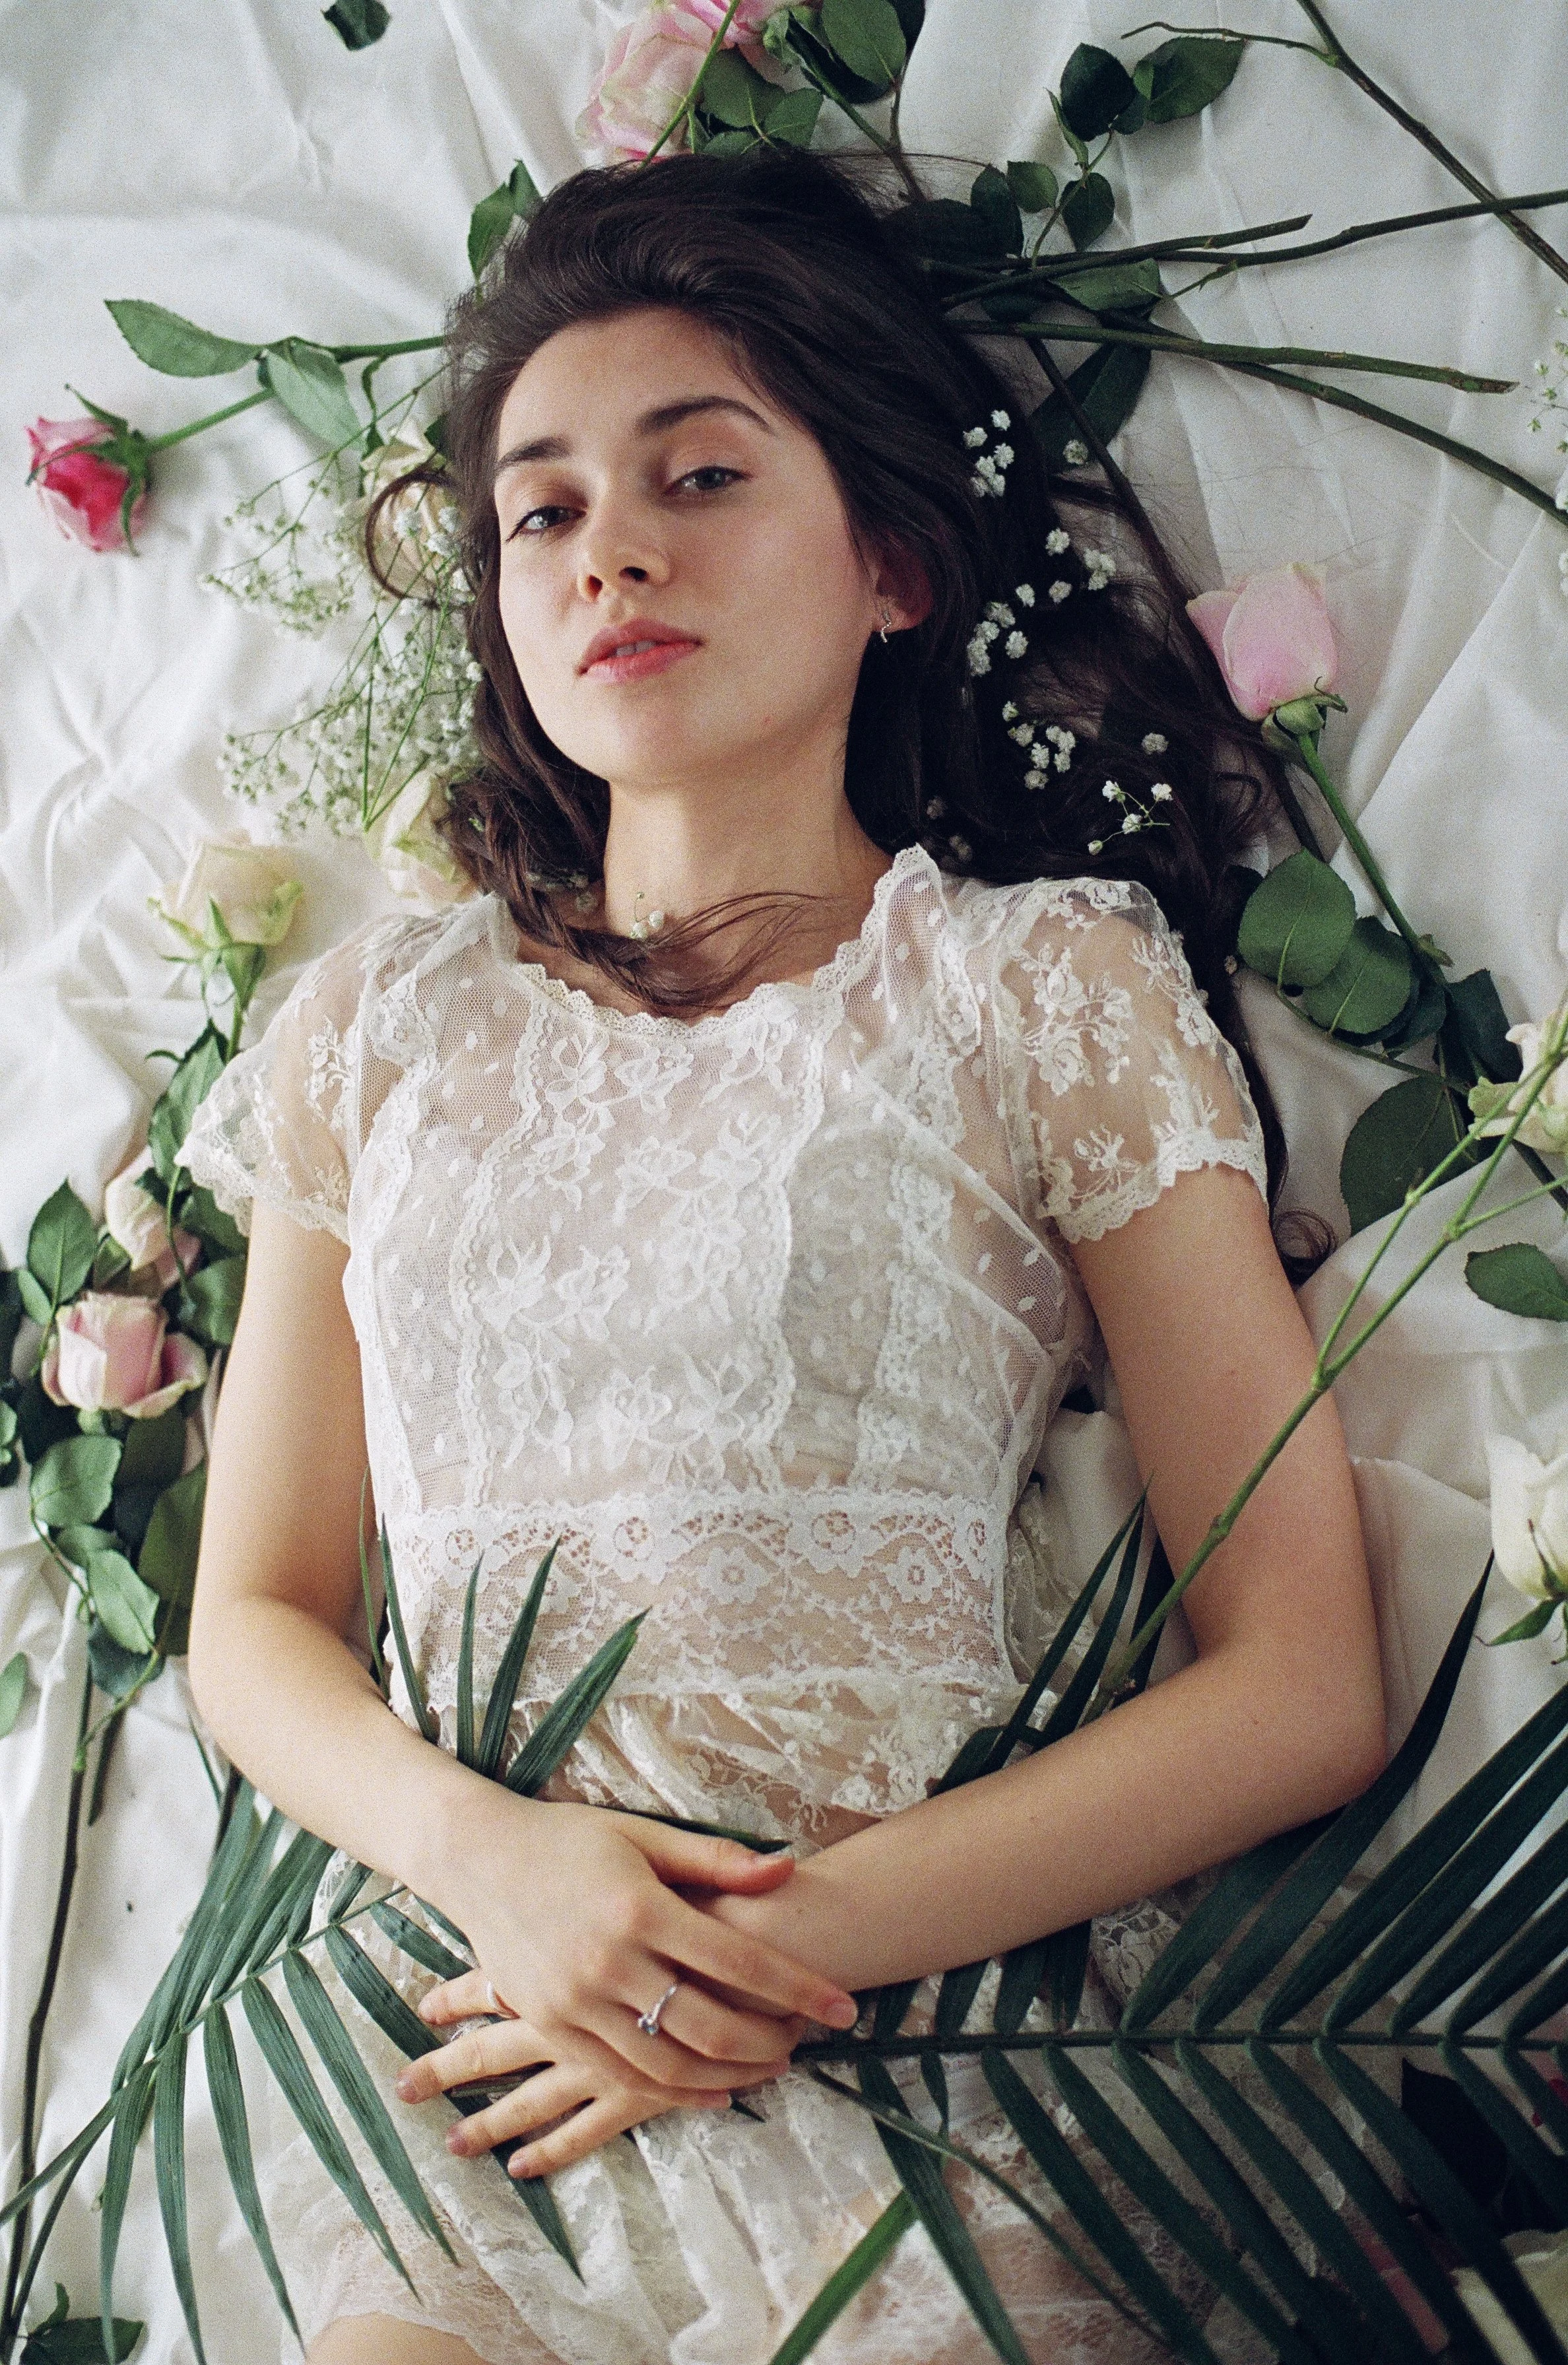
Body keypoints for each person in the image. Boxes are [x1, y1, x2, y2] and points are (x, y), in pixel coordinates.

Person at [181, 147, 1384, 2365]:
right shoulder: (372, 1032)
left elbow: (1305, 1673)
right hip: (475, 2064)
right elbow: (250, 1625)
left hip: (925, 2039)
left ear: (895, 564)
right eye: (538, 509)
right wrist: (514, 1873)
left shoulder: (1036, 992)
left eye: (699, 471)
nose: (609, 544)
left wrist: (750, 1957)